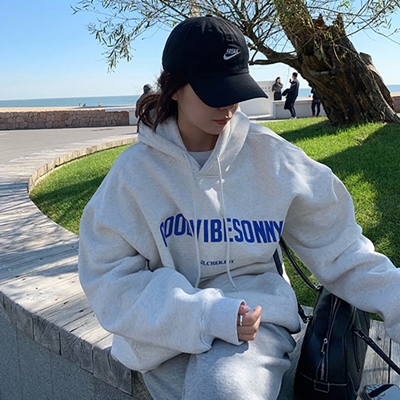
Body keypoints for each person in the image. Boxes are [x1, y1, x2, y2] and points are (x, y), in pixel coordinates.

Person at [78, 15, 400, 400]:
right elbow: (108, 278)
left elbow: (341, 250)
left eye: (235, 89)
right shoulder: (135, 174)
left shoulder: (272, 158)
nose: (228, 105)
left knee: (223, 389)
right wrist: (207, 314)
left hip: (256, 326)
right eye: (214, 90)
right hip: (166, 335)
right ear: (174, 88)